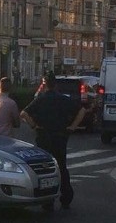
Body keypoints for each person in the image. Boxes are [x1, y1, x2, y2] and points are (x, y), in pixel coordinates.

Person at [20, 70, 86, 210]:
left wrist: (33, 125)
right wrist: (72, 127)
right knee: (61, 166)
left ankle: (47, 199)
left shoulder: (40, 99)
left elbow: (24, 113)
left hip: (43, 136)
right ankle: (66, 197)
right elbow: (81, 111)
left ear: (45, 85)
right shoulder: (63, 99)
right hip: (60, 136)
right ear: (55, 85)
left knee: (46, 168)